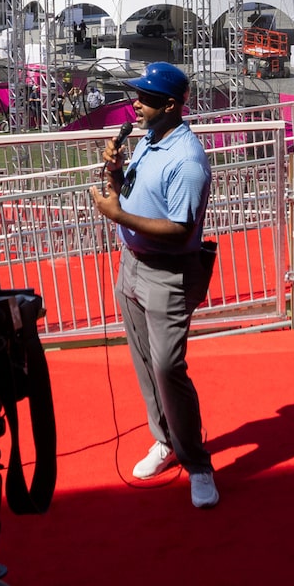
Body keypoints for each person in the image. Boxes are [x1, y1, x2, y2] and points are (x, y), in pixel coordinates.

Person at [91, 59, 222, 508]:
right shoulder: (150, 140)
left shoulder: (187, 160)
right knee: (145, 362)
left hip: (167, 273)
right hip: (132, 264)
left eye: (144, 98)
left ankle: (199, 465)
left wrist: (116, 215)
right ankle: (164, 441)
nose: (135, 103)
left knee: (168, 367)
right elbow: (131, 193)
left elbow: (180, 230)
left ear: (170, 105)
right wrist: (114, 173)